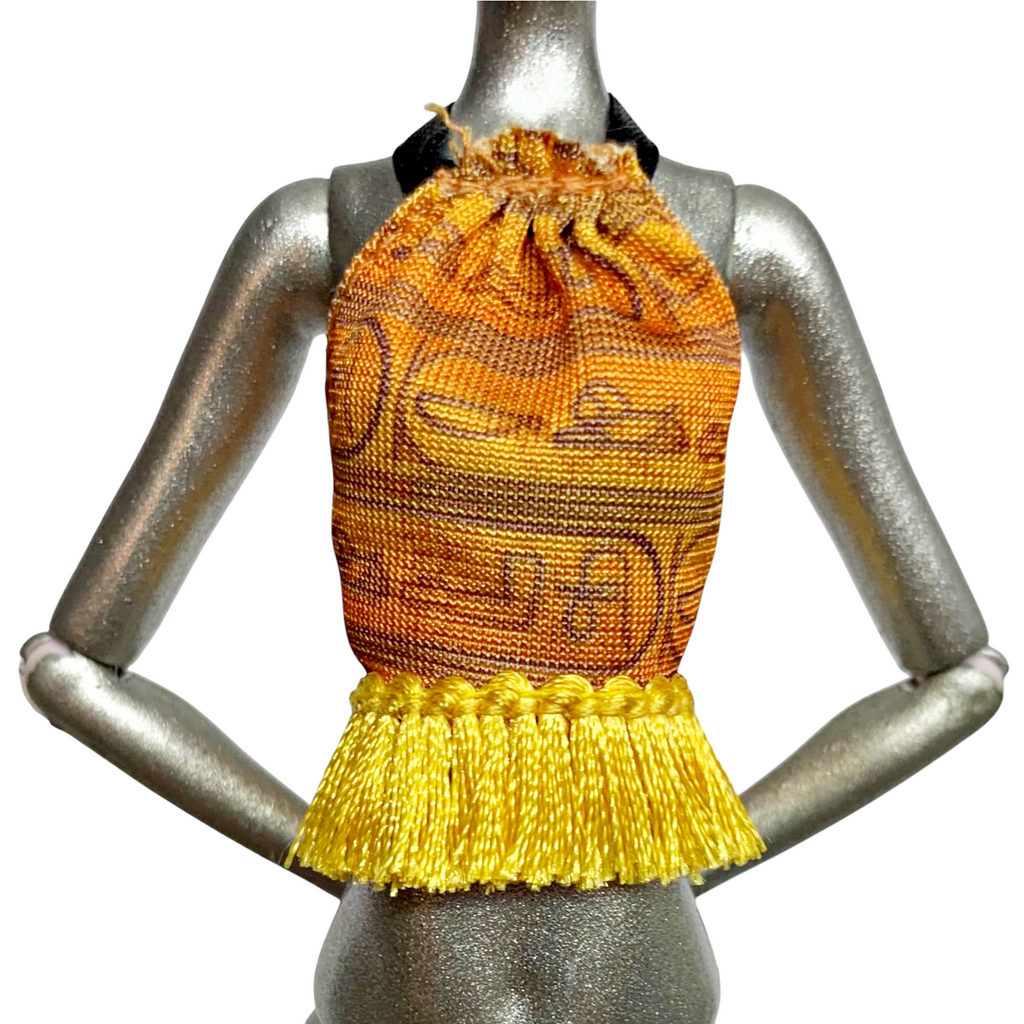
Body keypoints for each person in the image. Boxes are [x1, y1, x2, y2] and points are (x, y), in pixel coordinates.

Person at [13, 3, 1012, 1022]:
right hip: (638, 966)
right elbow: (961, 678)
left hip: (399, 968)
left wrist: (357, 861)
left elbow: (69, 669)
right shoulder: (738, 239)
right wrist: (669, 866)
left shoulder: (327, 230)